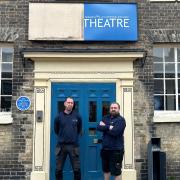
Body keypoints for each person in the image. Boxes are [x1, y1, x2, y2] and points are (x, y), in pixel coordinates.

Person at [54, 97, 82, 180]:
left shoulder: (77, 116)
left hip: (73, 146)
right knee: (58, 169)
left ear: (73, 105)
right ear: (65, 103)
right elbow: (56, 130)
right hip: (61, 146)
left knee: (76, 169)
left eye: (72, 103)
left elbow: (79, 128)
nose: (70, 104)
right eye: (68, 102)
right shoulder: (58, 117)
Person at [97, 102, 126, 180]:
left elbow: (116, 132)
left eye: (115, 108)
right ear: (110, 109)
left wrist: (105, 127)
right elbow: (99, 127)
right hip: (105, 149)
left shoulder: (121, 120)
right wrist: (109, 127)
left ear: (118, 109)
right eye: (112, 108)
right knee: (106, 170)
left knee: (117, 172)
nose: (113, 109)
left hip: (116, 150)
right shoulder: (105, 117)